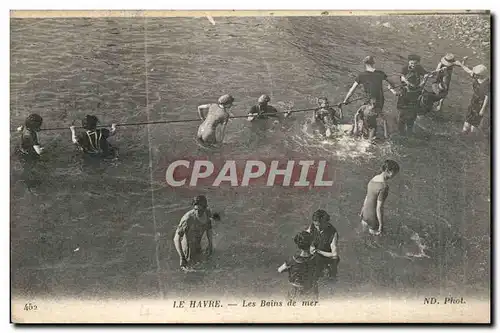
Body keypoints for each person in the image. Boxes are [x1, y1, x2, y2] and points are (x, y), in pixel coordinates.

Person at [343, 56, 398, 139]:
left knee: (362, 116)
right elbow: (392, 83)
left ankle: (363, 135)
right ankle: (369, 134)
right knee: (373, 118)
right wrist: (391, 88)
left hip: (369, 102)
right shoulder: (381, 73)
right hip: (379, 102)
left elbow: (352, 90)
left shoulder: (361, 75)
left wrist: (346, 100)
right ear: (373, 63)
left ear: (365, 63)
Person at [173, 195, 221, 269]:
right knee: (190, 271)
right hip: (188, 248)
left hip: (198, 245)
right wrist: (181, 257)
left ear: (205, 208)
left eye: (200, 210)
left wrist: (210, 244)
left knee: (204, 268)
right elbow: (176, 238)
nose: (198, 212)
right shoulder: (188, 219)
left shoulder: (207, 213)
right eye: (196, 209)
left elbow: (209, 228)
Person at [360, 160, 400, 236]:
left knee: (363, 236)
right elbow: (379, 208)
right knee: (377, 239)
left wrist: (362, 210)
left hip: (365, 213)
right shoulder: (384, 187)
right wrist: (381, 224)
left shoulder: (374, 178)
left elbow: (367, 196)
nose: (395, 176)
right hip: (373, 217)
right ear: (389, 171)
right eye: (395, 173)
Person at [278, 231, 320, 301]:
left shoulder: (292, 260)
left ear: (298, 245)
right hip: (310, 290)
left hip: (295, 292)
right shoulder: (315, 259)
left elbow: (279, 270)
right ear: (311, 244)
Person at [397, 54, 430, 135]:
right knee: (403, 112)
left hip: (416, 93)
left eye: (415, 64)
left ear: (418, 63)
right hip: (405, 92)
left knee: (413, 112)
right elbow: (402, 77)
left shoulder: (419, 68)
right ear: (409, 62)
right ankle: (401, 130)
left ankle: (410, 130)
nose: (413, 65)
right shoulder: (404, 68)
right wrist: (407, 82)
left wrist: (425, 78)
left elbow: (426, 74)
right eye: (411, 63)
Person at [454, 61, 490, 134]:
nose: (473, 75)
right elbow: (468, 71)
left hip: (481, 104)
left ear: (481, 75)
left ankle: (473, 136)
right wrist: (461, 64)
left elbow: (487, 97)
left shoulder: (487, 84)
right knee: (468, 120)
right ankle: (464, 133)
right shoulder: (476, 76)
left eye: (476, 74)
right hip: (474, 101)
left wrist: (482, 109)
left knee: (474, 125)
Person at [306, 209, 339, 281]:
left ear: (326, 222)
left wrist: (318, 251)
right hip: (314, 253)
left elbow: (334, 254)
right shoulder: (312, 226)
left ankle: (332, 276)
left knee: (335, 259)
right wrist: (310, 246)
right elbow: (304, 238)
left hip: (325, 256)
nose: (318, 228)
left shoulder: (333, 233)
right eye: (316, 225)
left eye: (320, 225)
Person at [16, 114, 45, 189]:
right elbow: (39, 152)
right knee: (29, 167)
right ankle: (29, 183)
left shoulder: (25, 128)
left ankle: (27, 179)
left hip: (22, 150)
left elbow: (19, 129)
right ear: (35, 126)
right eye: (39, 126)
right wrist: (42, 149)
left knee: (26, 167)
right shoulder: (32, 135)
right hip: (28, 154)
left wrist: (36, 129)